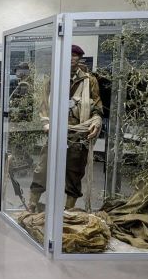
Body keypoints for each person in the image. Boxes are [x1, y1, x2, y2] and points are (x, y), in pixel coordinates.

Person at [29, 45, 103, 210]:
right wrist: (46, 123)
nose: (71, 58)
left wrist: (96, 119)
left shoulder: (89, 81)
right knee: (43, 168)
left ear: (79, 58)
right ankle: (32, 204)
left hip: (78, 132)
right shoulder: (53, 79)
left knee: (74, 173)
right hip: (56, 131)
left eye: (75, 55)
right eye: (68, 55)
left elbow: (97, 105)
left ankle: (68, 212)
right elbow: (44, 104)